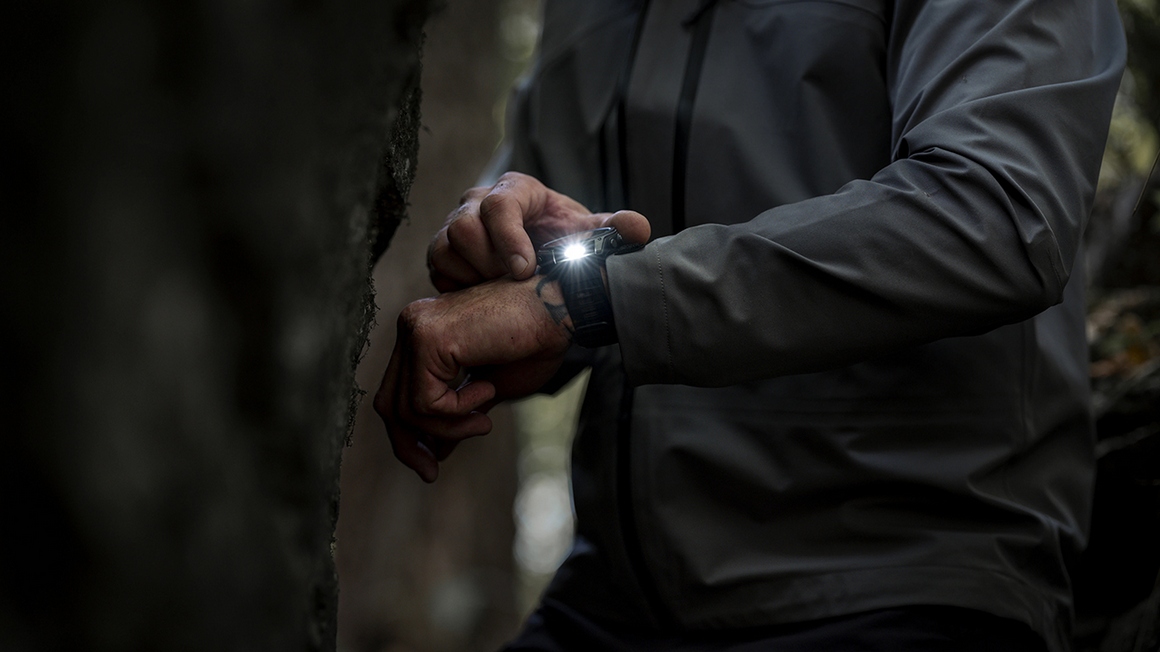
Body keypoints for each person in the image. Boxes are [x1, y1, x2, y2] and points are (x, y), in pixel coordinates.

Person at [374, 0, 1126, 649]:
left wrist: (591, 299)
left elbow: (997, 215)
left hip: (906, 576)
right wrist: (503, 255)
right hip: (615, 596)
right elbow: (564, 238)